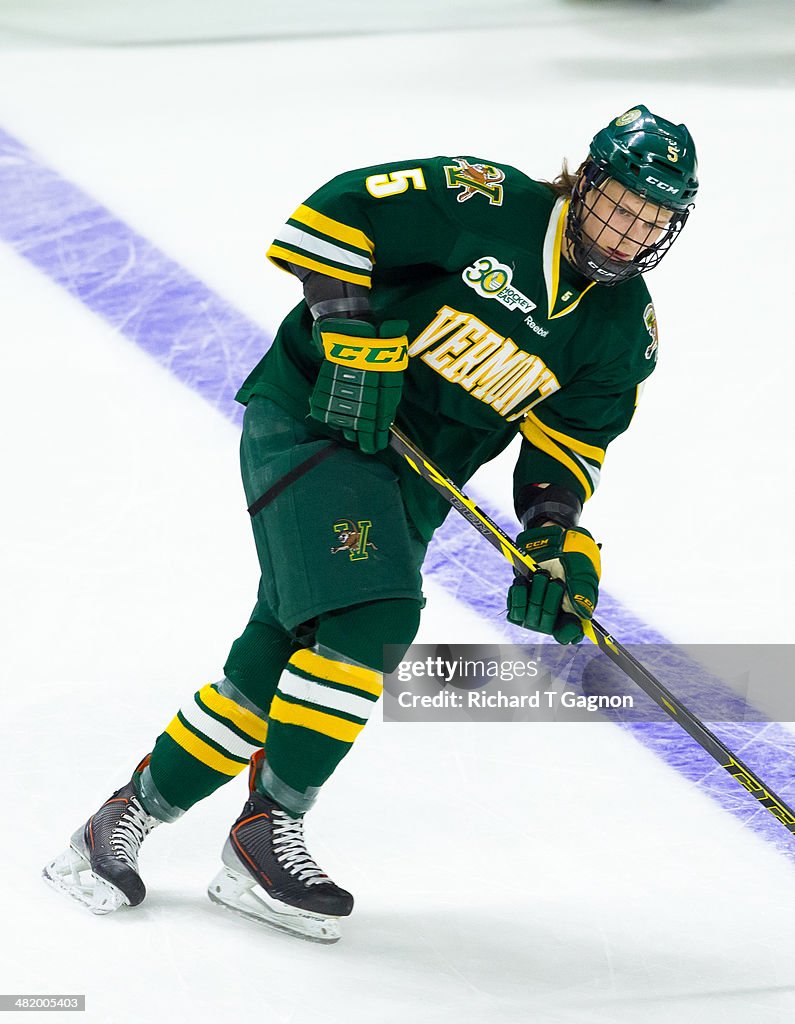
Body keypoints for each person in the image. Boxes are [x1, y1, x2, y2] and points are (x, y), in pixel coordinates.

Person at [43, 104, 698, 943]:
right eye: (620, 204)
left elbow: (565, 447)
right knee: (374, 618)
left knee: (277, 655)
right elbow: (334, 211)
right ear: (584, 180)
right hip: (316, 421)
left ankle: (118, 823)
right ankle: (265, 831)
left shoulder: (622, 333)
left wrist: (554, 536)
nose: (627, 232)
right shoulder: (483, 202)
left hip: (412, 487)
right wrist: (348, 333)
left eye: (651, 221)